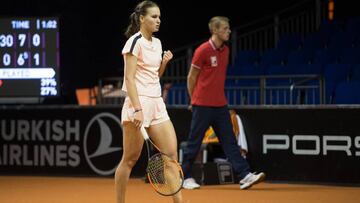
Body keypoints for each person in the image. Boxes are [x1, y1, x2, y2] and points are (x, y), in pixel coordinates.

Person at [181, 16, 265, 190]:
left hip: (220, 106)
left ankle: (245, 175)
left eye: (228, 28)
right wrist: (193, 100)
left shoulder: (225, 51)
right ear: (215, 30)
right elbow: (191, 77)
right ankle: (185, 177)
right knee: (194, 143)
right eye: (225, 28)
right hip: (202, 105)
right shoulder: (202, 50)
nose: (229, 31)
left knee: (230, 142)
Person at [114, 1, 183, 203]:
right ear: (142, 18)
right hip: (138, 104)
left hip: (157, 104)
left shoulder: (158, 43)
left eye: (159, 17)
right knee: (129, 160)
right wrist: (137, 109)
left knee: (171, 157)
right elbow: (129, 78)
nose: (158, 20)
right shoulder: (134, 42)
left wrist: (163, 64)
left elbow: (154, 77)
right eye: (154, 16)